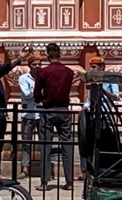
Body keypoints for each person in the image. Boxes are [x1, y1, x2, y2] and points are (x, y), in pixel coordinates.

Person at [36, 43, 77, 189]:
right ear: (60, 55)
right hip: (64, 110)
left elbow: (36, 93)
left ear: (48, 56)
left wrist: (41, 98)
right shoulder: (69, 72)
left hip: (48, 110)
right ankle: (70, 181)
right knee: (66, 145)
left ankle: (44, 182)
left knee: (46, 145)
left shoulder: (43, 72)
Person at [18, 54, 43, 179]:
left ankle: (45, 170)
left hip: (41, 113)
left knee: (44, 142)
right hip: (28, 114)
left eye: (39, 64)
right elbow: (27, 94)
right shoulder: (24, 78)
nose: (37, 66)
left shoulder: (44, 77)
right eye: (34, 64)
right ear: (30, 65)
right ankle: (25, 169)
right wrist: (40, 93)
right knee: (26, 143)